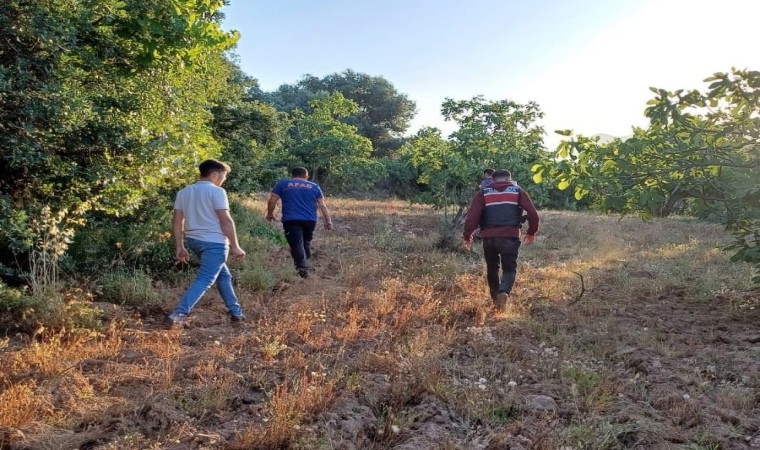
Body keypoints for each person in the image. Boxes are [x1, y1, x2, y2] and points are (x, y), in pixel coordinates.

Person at [163, 159, 247, 328]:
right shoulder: (217, 192)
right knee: (205, 279)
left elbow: (177, 222)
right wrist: (235, 246)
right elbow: (226, 221)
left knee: (223, 275)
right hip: (214, 242)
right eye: (224, 175)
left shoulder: (184, 192)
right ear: (214, 174)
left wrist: (180, 246)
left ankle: (236, 313)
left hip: (194, 241)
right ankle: (178, 315)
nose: (224, 179)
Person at [463, 169, 539, 311]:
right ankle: (503, 292)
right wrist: (531, 232)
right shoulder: (517, 191)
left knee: (492, 268)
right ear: (509, 179)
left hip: (488, 237)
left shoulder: (483, 193)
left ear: (492, 179)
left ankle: (495, 299)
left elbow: (472, 218)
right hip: (510, 236)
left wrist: (468, 236)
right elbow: (533, 214)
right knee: (509, 269)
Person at [266, 167, 333, 278]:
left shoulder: (283, 184)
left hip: (291, 219)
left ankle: (303, 271)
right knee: (305, 243)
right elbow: (322, 206)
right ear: (306, 176)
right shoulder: (314, 186)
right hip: (310, 220)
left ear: (291, 175)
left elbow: (272, 200)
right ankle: (304, 262)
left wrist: (270, 213)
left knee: (296, 244)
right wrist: (328, 221)